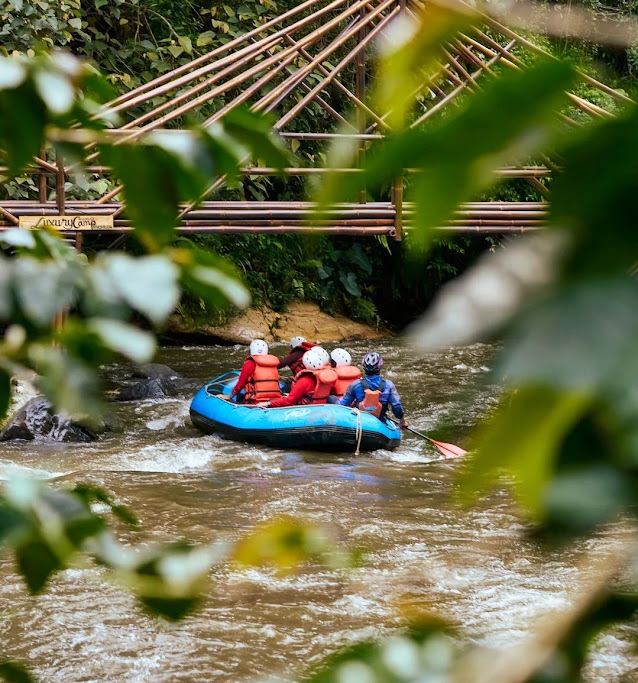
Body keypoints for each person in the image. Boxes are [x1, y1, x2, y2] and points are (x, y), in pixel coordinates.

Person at [338, 351, 408, 429]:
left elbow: (342, 405)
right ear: (380, 366)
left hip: (359, 423)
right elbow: (397, 407)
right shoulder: (389, 385)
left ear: (364, 366)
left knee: (331, 398)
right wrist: (402, 421)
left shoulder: (355, 385)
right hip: (379, 424)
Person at [261, 349, 338, 408]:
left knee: (272, 400)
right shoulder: (327, 377)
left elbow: (289, 401)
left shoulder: (305, 381)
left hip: (307, 409)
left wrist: (268, 403)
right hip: (321, 407)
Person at [230, 339, 282, 404]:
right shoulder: (273, 364)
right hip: (274, 400)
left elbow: (240, 384)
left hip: (256, 401)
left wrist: (230, 396)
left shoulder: (250, 363)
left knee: (239, 397)